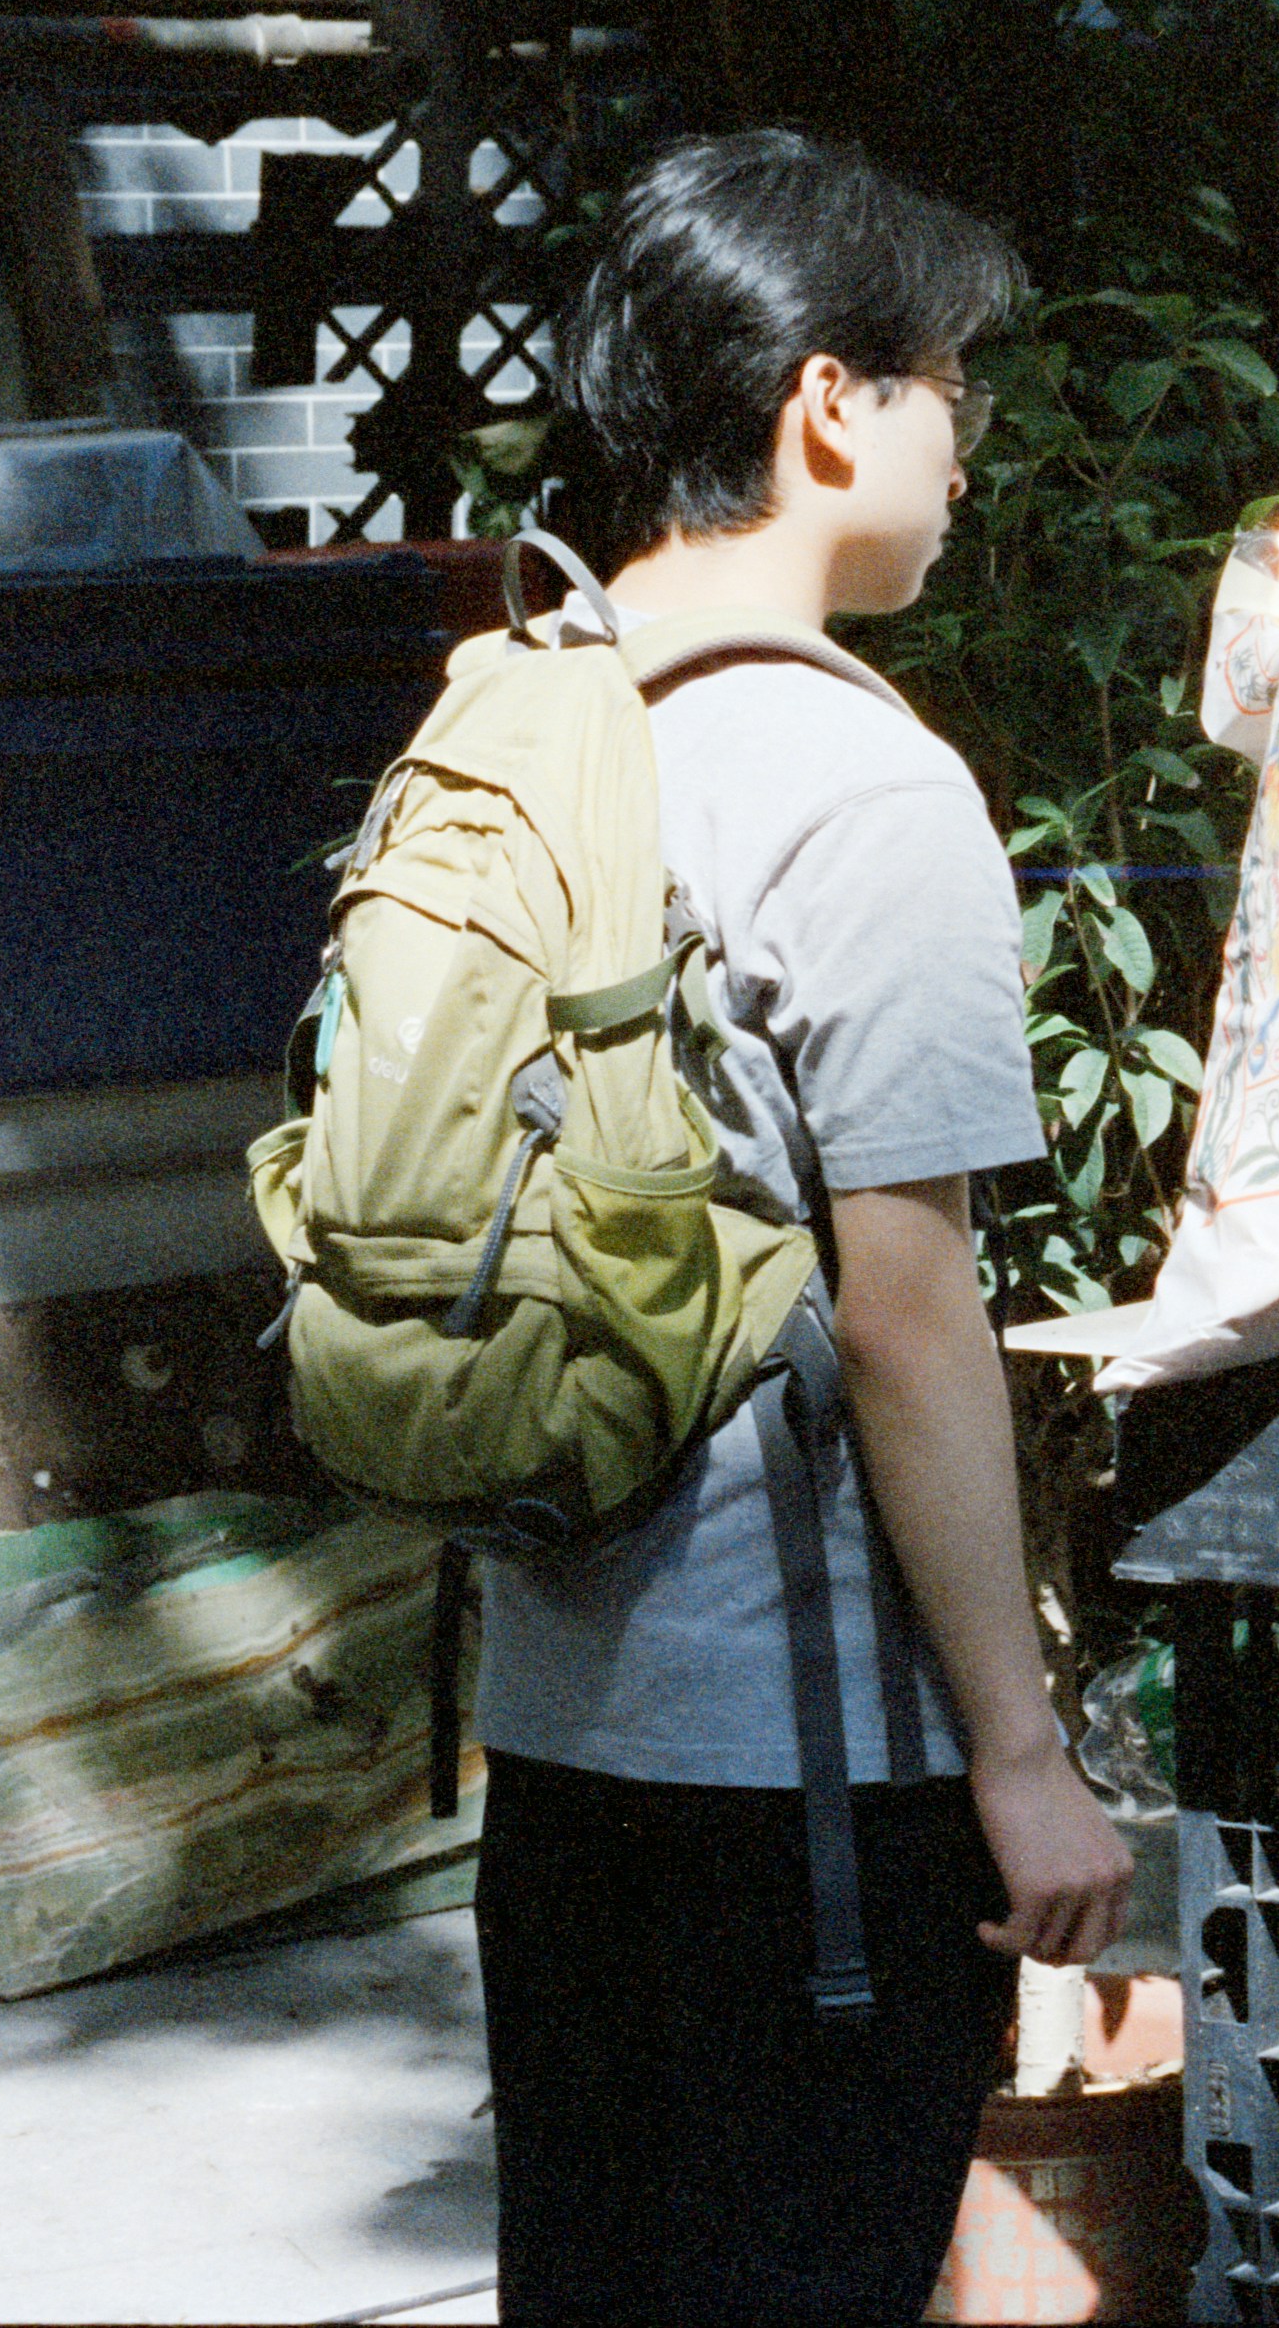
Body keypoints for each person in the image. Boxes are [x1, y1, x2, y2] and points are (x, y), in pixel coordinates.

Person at [475, 130, 1131, 2319]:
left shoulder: (509, 726)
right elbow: (910, 1316)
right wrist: (1020, 1759)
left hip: (557, 1729)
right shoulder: (860, 781)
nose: (968, 444)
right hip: (807, 1765)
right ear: (830, 402)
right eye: (951, 385)